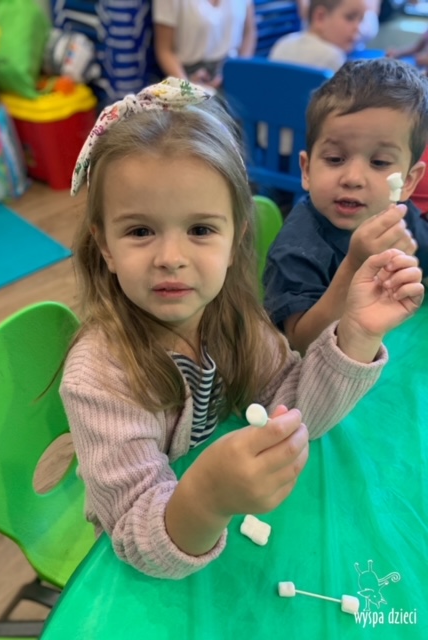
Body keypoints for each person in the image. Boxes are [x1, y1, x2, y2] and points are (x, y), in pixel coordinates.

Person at [61, 76, 424, 580]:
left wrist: (357, 335)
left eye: (200, 230)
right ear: (105, 246)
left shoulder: (233, 320)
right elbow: (134, 537)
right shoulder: (99, 377)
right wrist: (207, 496)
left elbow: (294, 412)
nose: (171, 258)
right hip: (149, 562)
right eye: (140, 231)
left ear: (235, 240)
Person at [263, 58, 428, 356]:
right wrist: (354, 265)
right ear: (307, 170)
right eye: (335, 159)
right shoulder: (296, 249)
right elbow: (299, 342)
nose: (352, 178)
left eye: (379, 162)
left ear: (407, 181)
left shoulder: (400, 219)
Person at [152, 0, 257, 90]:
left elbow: (249, 33)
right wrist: (187, 88)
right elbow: (164, 50)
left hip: (231, 71)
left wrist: (239, 74)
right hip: (188, 75)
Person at [270, 0, 365, 72]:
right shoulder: (333, 57)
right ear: (320, 17)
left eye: (360, 20)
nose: (358, 28)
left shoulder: (282, 43)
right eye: (350, 18)